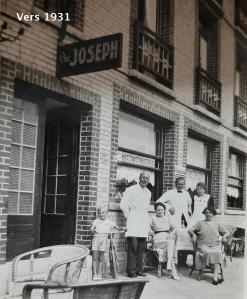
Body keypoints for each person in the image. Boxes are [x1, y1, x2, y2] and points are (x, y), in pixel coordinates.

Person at [187, 207, 230, 285]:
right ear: (204, 213)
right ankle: (215, 276)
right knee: (208, 252)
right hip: (203, 246)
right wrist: (193, 235)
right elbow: (190, 230)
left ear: (213, 214)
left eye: (210, 213)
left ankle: (215, 277)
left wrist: (224, 237)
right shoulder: (200, 223)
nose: (208, 214)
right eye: (207, 212)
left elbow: (227, 232)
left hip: (214, 245)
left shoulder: (217, 224)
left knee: (217, 253)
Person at [120, 171, 151, 277]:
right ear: (139, 178)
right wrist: (130, 216)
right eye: (143, 177)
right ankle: (131, 271)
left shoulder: (149, 192)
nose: (145, 180)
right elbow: (123, 205)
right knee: (133, 246)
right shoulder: (131, 190)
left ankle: (139, 270)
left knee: (141, 247)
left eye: (147, 178)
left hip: (143, 221)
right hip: (133, 219)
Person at [150, 202, 180, 280]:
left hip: (167, 238)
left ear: (164, 211)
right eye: (158, 210)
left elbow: (175, 228)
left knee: (171, 242)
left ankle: (169, 264)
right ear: (155, 211)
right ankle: (172, 270)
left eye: (162, 210)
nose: (160, 211)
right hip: (157, 238)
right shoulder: (152, 218)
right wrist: (151, 233)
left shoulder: (167, 218)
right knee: (171, 243)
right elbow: (147, 228)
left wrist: (171, 233)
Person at [90, 205, 118, 280]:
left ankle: (99, 274)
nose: (101, 214)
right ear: (98, 214)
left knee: (101, 258)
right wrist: (93, 230)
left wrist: (118, 229)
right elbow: (92, 228)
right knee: (95, 257)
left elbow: (115, 227)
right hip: (96, 240)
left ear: (106, 213)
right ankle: (95, 274)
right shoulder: (96, 221)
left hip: (103, 241)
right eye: (99, 213)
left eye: (103, 213)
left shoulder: (109, 222)